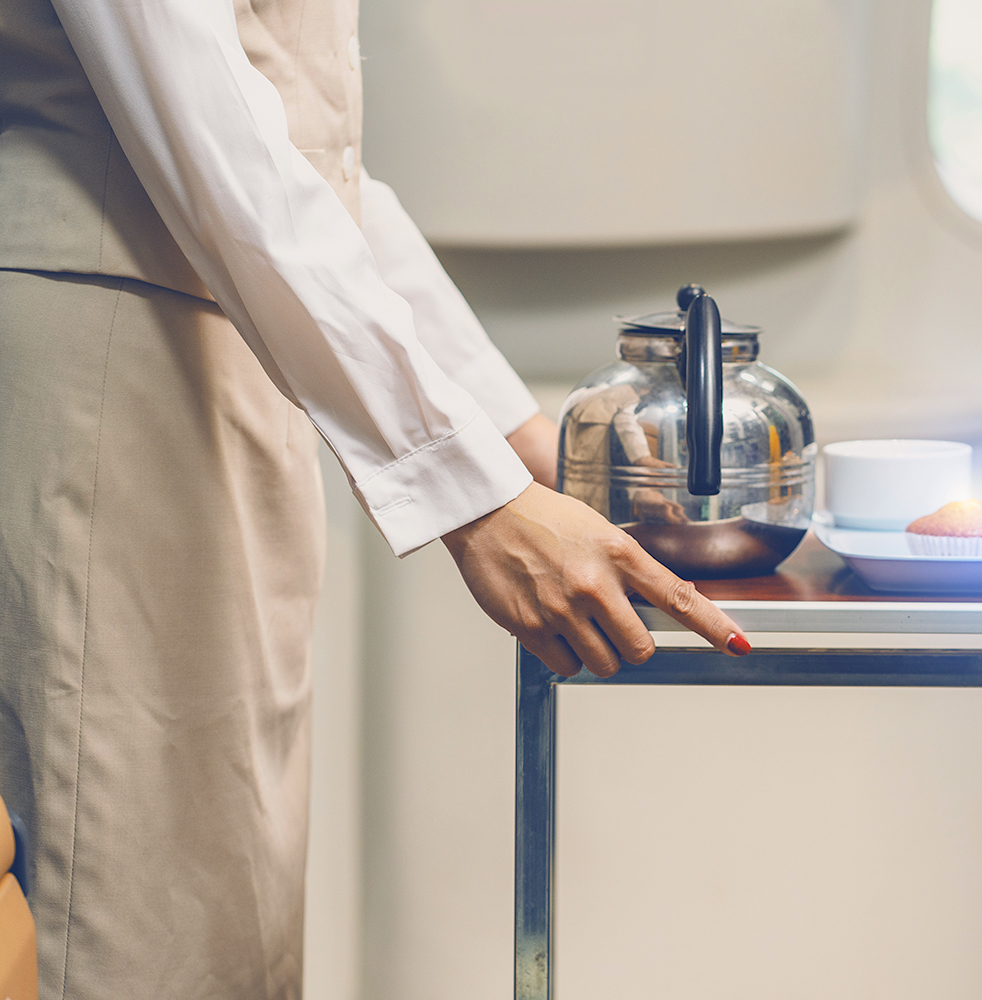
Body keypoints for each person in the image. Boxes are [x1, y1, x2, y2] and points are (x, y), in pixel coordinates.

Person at [0, 0, 752, 996]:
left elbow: (311, 161)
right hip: (109, 353)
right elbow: (205, 124)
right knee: (120, 898)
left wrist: (521, 443)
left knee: (222, 898)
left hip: (222, 342)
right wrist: (472, 497)